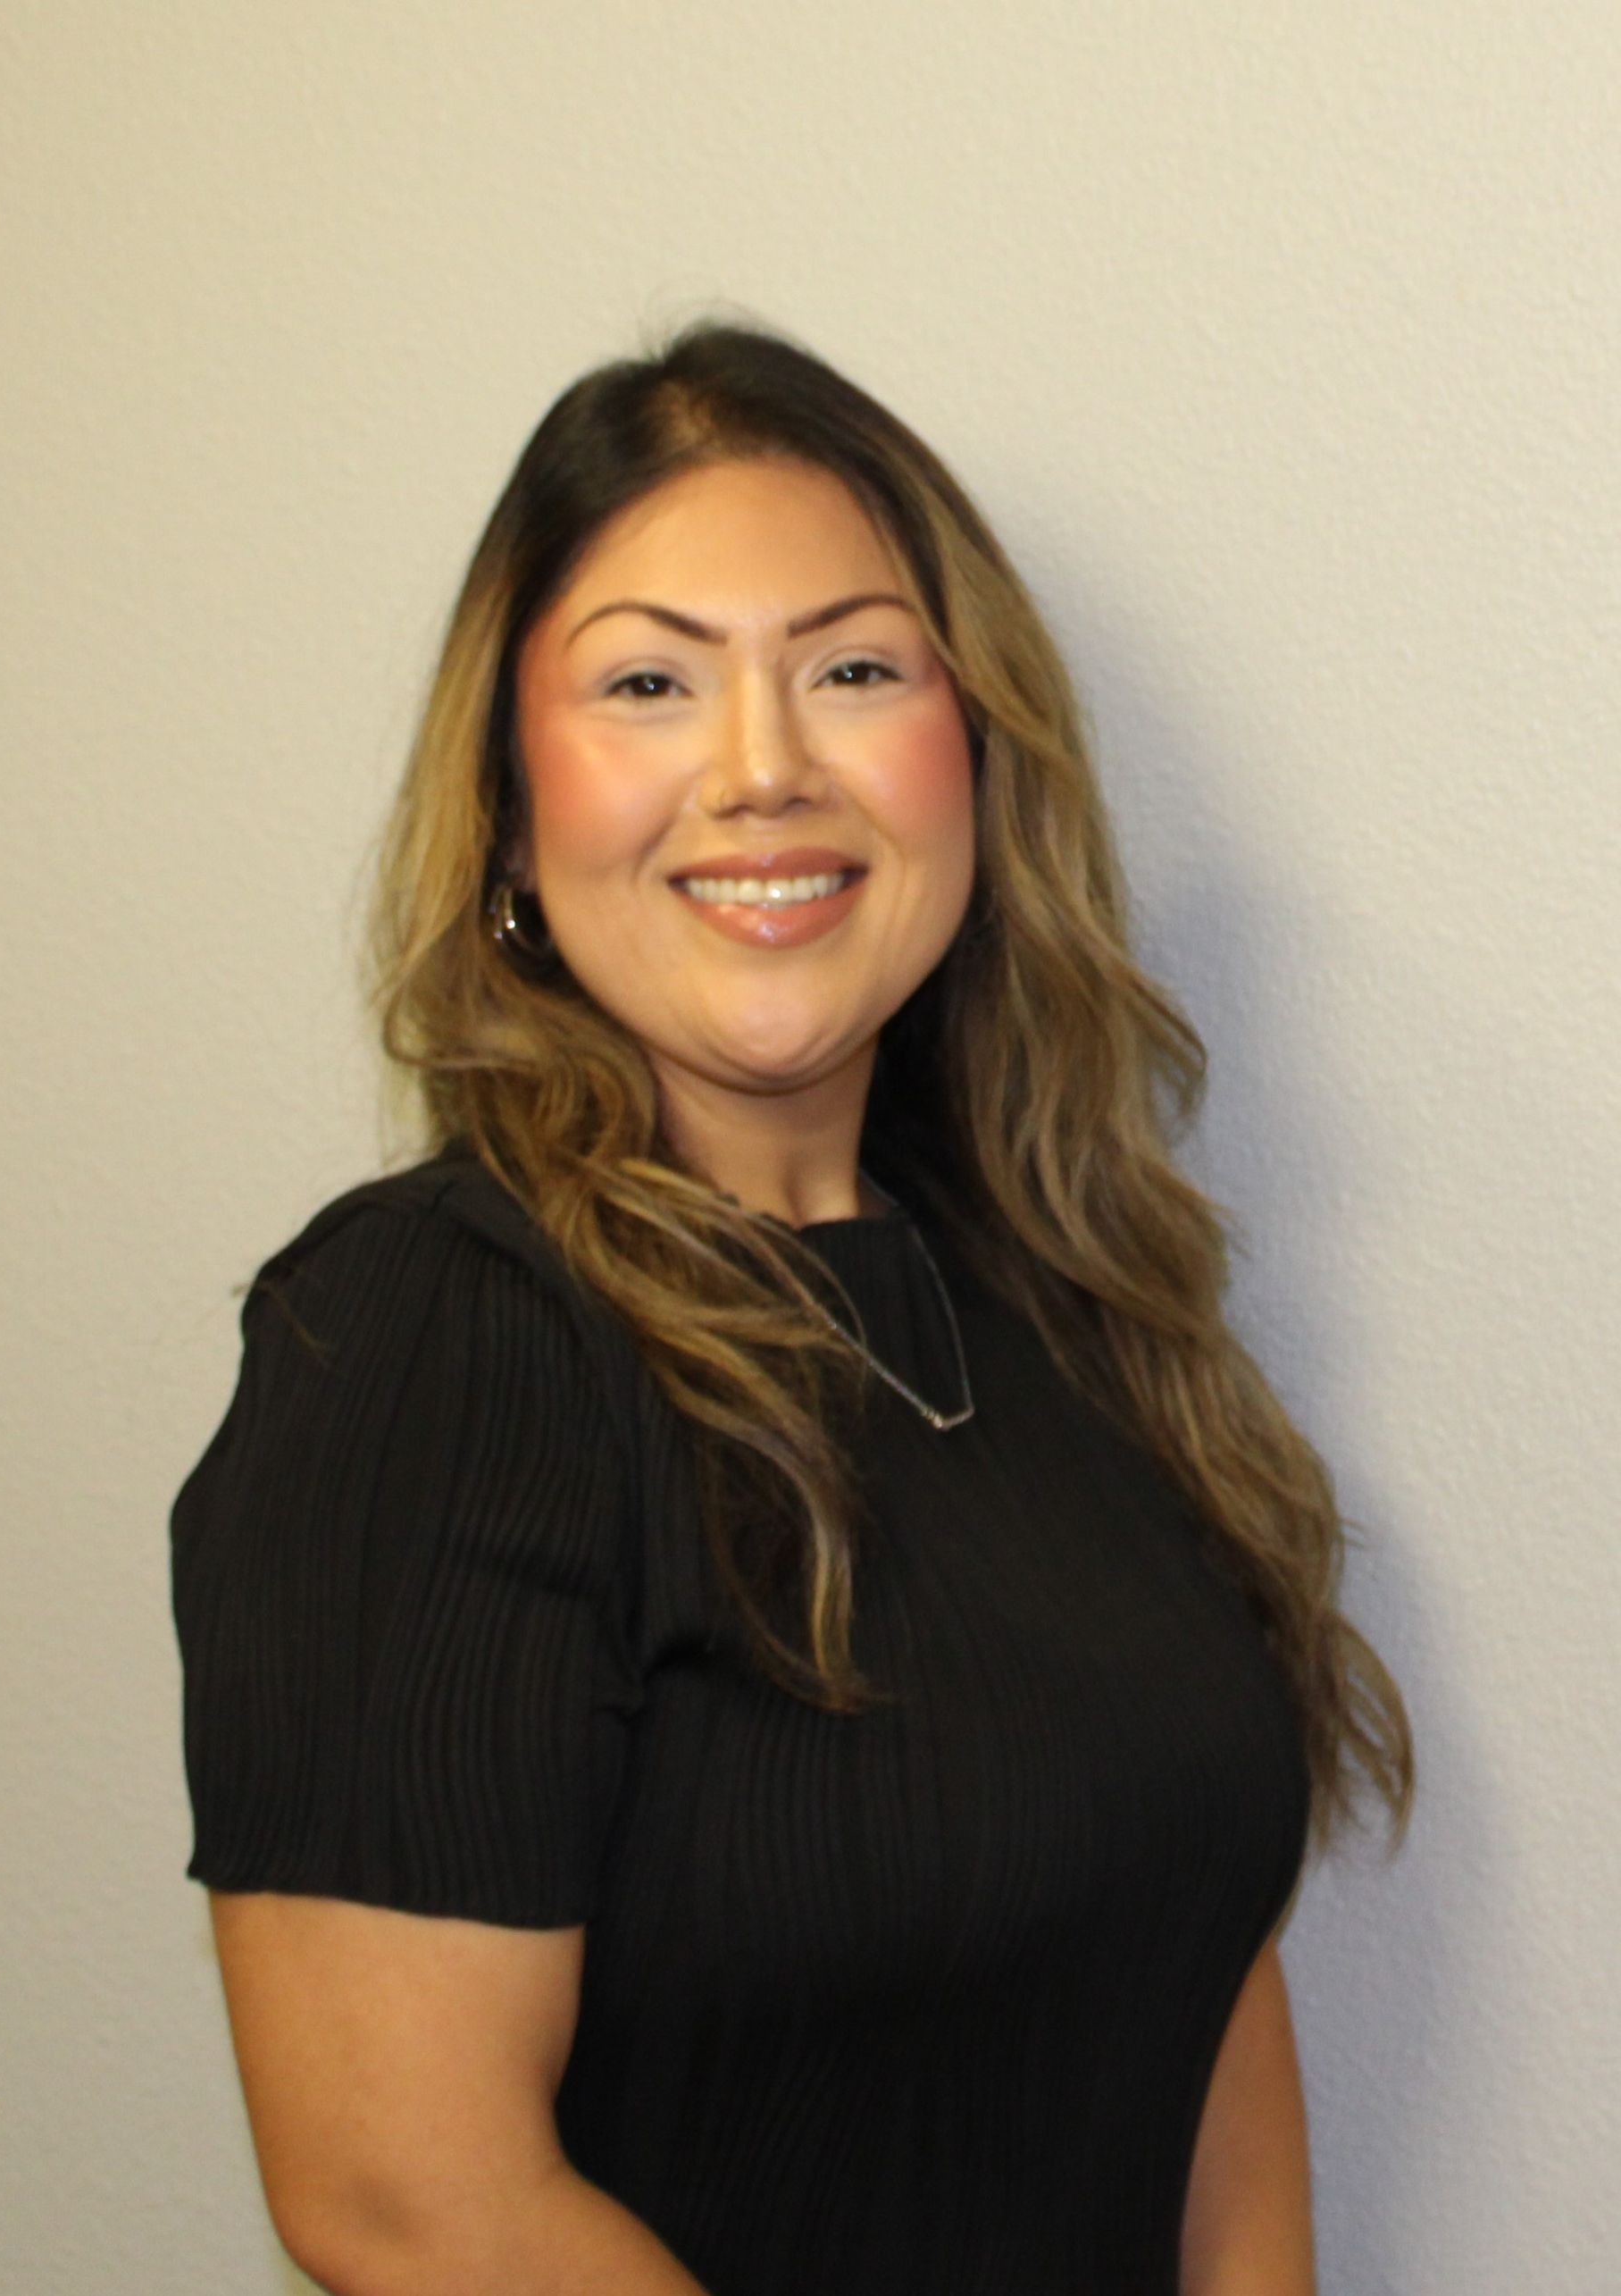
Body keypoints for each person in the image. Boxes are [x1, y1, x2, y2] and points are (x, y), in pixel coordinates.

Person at [169, 317, 1414, 2296]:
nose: (762, 769)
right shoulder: (432, 1338)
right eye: (650, 683)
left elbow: (1188, 1965)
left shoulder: (1065, 1300)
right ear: (508, 809)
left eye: (851, 670)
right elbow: (409, 2197)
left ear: (976, 759)